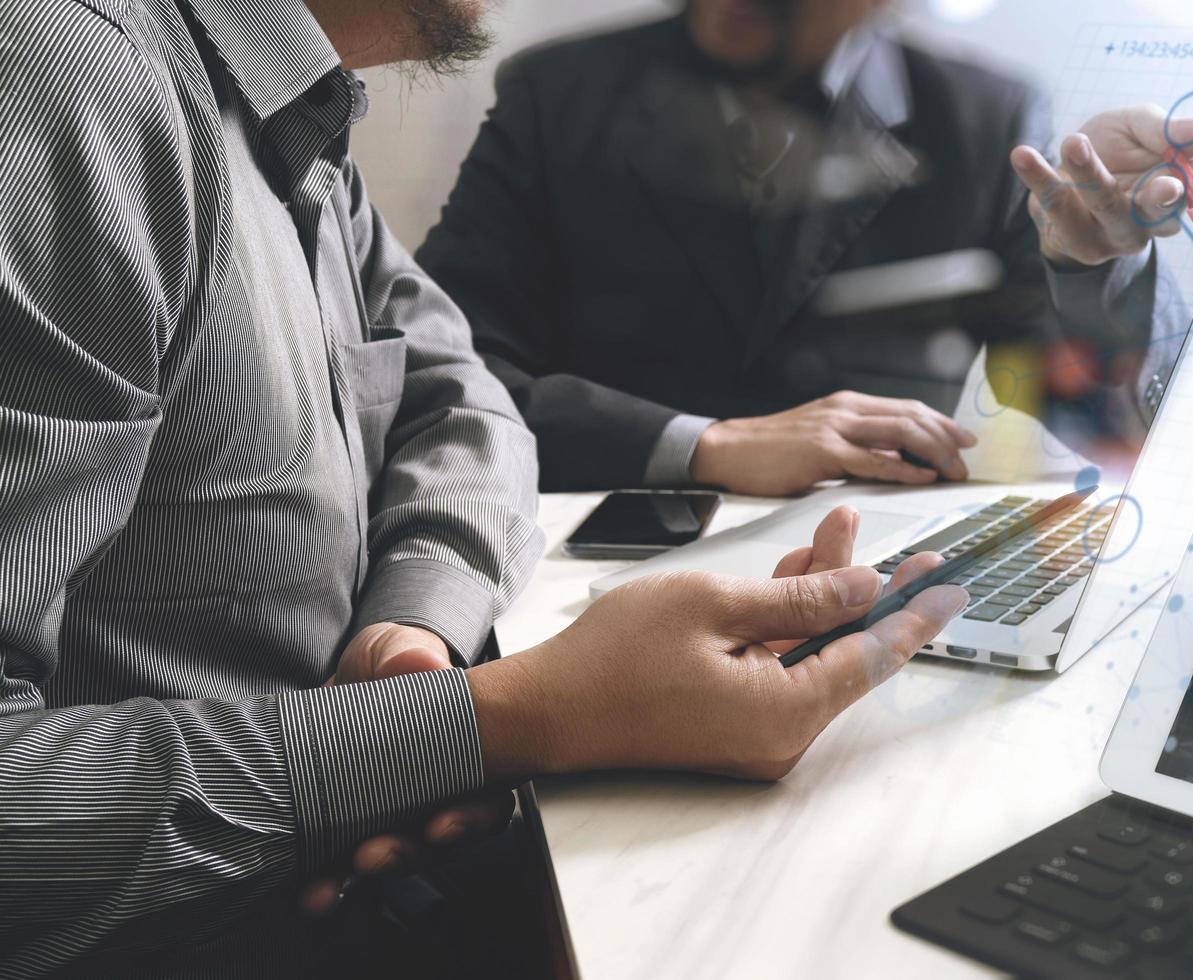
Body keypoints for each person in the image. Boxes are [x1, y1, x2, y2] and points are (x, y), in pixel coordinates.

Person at [0, 1, 966, 975]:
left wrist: (412, 646)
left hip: (354, 876)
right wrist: (515, 717)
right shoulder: (57, 80)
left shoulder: (293, 116)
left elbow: (470, 400)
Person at [417, 0, 1193, 495]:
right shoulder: (556, 95)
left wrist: (1092, 260)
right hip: (580, 574)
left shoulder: (986, 117)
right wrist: (704, 446)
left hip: (869, 589)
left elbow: (1099, 416)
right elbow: (443, 383)